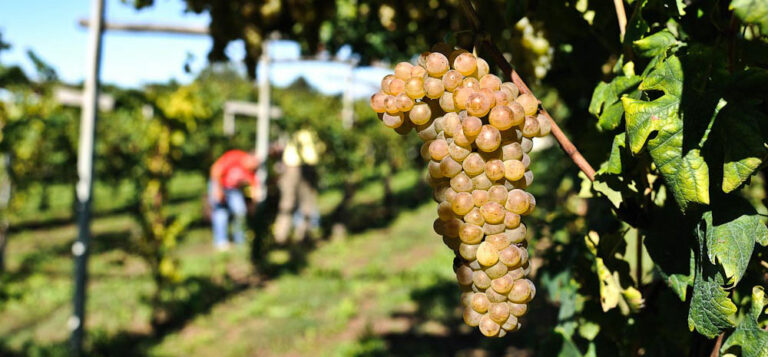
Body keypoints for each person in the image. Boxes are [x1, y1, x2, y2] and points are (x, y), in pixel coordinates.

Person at [273, 129, 323, 244]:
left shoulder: (317, 129)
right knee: (287, 203)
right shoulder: (295, 126)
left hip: (309, 166)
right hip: (292, 166)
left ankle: (303, 235)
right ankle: (281, 237)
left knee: (308, 204)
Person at [209, 149, 260, 251]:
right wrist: (218, 190)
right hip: (219, 184)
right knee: (221, 213)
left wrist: (254, 205)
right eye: (253, 165)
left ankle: (240, 241)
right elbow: (215, 170)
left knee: (240, 212)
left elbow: (255, 188)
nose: (253, 168)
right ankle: (221, 242)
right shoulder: (235, 157)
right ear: (248, 158)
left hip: (233, 189)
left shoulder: (251, 171)